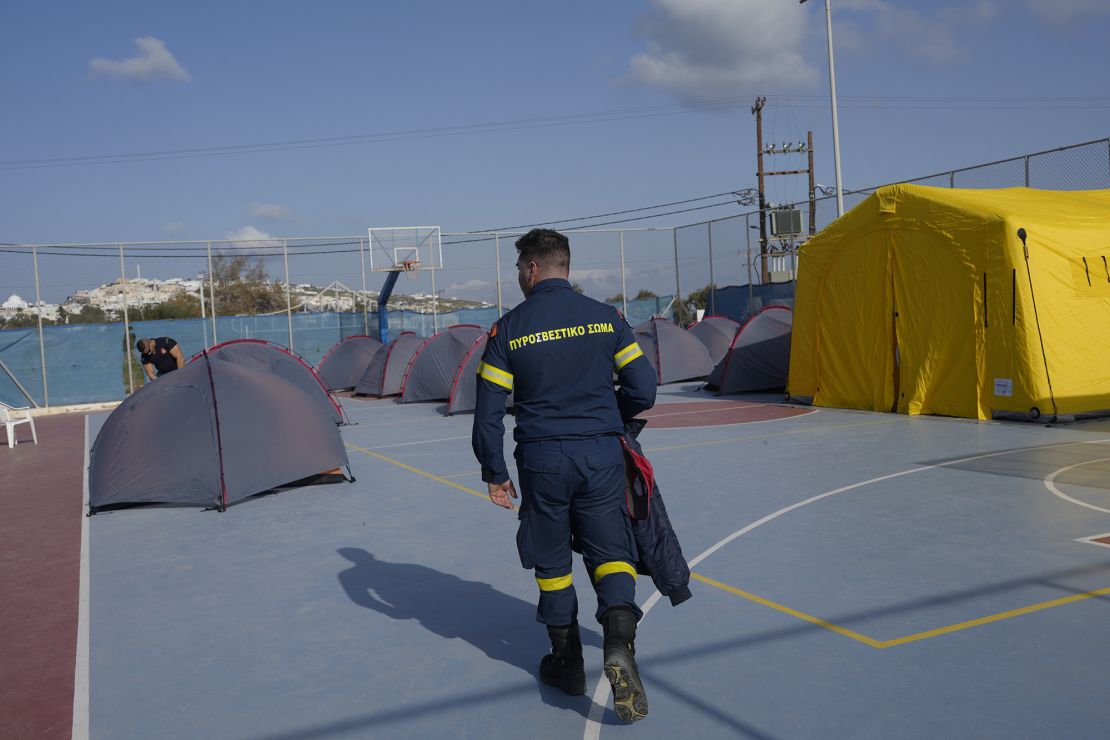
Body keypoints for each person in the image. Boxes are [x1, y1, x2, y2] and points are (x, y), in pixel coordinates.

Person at [472, 228, 657, 722]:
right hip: (599, 454)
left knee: (552, 562)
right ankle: (619, 644)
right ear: (565, 266)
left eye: (518, 268)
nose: (517, 276)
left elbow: (487, 414)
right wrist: (612, 417)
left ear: (532, 268)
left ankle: (568, 663)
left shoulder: (508, 330)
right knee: (611, 551)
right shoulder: (606, 319)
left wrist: (494, 471)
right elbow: (644, 386)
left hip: (542, 461)